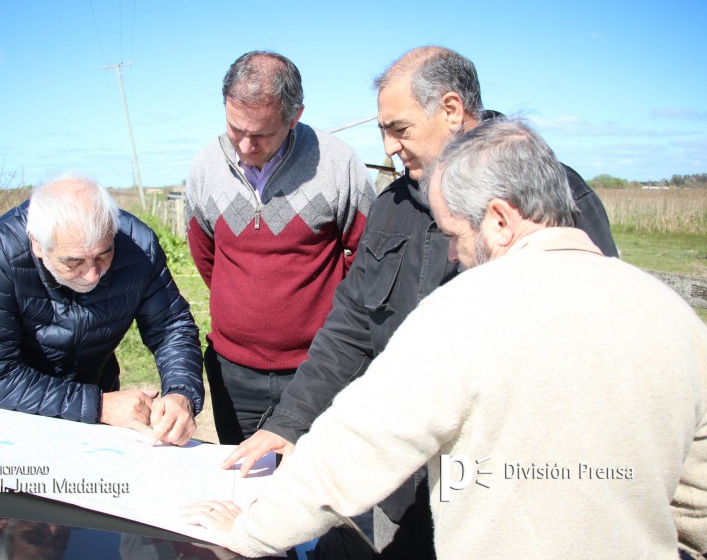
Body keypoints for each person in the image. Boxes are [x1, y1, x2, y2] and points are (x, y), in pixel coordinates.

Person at [183, 117, 707, 559]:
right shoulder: (676, 320)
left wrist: (250, 531)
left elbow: (352, 452)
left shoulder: (461, 313)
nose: (451, 254)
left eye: (453, 234)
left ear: (501, 221)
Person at [223, 46, 619, 557]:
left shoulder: (553, 198)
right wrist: (290, 424)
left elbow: (596, 352)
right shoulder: (392, 206)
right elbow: (350, 326)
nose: (388, 148)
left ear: (451, 110)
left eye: (400, 129)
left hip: (499, 495)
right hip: (399, 488)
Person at [185, 51, 375, 444]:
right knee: (243, 486)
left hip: (320, 369)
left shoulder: (337, 164)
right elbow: (205, 254)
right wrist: (244, 305)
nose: (245, 145)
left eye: (262, 134)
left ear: (295, 116)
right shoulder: (205, 166)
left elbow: (367, 254)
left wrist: (328, 324)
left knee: (318, 492)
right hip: (232, 371)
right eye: (235, 128)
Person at [0, 175, 204, 446]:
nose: (91, 275)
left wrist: (181, 393)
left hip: (99, 403)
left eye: (103, 255)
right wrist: (99, 405)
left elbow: (170, 327)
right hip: (17, 414)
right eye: (72, 262)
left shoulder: (138, 246)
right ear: (37, 244)